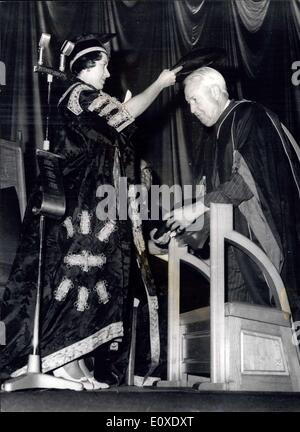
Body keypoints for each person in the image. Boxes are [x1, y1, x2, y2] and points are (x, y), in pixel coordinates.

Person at [0, 33, 181, 389]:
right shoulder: (79, 94)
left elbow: (115, 128)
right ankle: (62, 363)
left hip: (90, 201)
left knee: (92, 277)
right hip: (79, 203)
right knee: (80, 276)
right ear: (85, 67)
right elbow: (125, 114)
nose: (108, 73)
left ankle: (77, 364)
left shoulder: (83, 98)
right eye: (103, 66)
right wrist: (160, 83)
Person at [159, 66, 300, 320]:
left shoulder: (250, 116)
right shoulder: (218, 133)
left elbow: (246, 182)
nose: (192, 110)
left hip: (261, 243)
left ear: (215, 90)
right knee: (236, 320)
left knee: (273, 319)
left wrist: (194, 209)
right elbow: (216, 196)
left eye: (194, 100)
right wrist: (186, 229)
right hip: (235, 247)